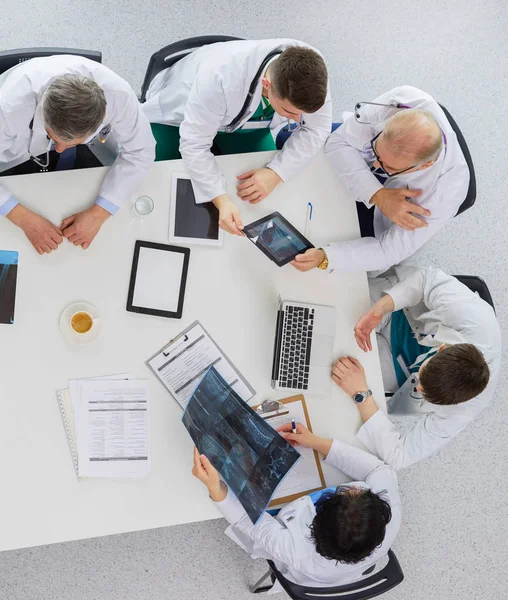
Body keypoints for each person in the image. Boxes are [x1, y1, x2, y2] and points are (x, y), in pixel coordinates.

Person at [142, 39, 331, 236]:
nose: (298, 119)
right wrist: (220, 198)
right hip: (177, 117)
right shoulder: (221, 78)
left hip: (245, 125)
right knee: (157, 182)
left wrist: (276, 173)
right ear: (267, 85)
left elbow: (317, 129)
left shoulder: (313, 74)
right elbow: (195, 144)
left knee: (259, 195)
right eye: (289, 111)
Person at [191, 421, 401, 592]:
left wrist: (214, 485)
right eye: (358, 490)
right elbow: (376, 469)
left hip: (307, 573)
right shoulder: (388, 510)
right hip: (348, 567)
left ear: (316, 523)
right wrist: (316, 442)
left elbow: (246, 520)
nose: (352, 486)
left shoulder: (296, 550)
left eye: (345, 492)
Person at [331, 266, 501, 471]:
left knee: (337, 371)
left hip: (401, 367)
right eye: (422, 379)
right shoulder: (473, 317)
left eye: (424, 393)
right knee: (334, 306)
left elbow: (400, 456)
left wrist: (362, 394)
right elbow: (425, 280)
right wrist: (382, 308)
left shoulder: (462, 411)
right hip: (402, 311)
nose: (418, 390)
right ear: (441, 348)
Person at [291, 86, 469, 274]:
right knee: (289, 138)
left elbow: (387, 250)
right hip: (362, 155)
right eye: (378, 151)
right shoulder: (402, 102)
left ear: (423, 166)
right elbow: (338, 142)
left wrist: (326, 256)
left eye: (388, 166)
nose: (376, 165)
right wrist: (377, 194)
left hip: (385, 219)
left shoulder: (445, 194)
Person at [0, 55, 155, 254]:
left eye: (71, 143)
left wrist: (100, 212)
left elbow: (141, 151)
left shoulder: (119, 96)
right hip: (13, 153)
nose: (59, 149)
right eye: (53, 138)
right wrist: (22, 218)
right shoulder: (9, 107)